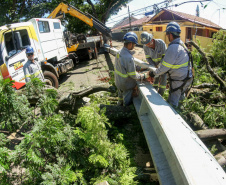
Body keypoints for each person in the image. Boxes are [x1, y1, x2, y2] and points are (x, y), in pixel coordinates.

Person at [149, 22, 193, 107]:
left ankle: (175, 115)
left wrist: (153, 73)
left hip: (179, 80)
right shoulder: (181, 44)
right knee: (180, 97)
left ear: (170, 35)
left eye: (167, 34)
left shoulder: (173, 48)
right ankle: (183, 113)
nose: (167, 36)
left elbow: (164, 67)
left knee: (173, 104)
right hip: (187, 78)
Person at [115, 32, 149, 106]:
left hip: (118, 81)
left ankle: (118, 106)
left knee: (120, 96)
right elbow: (133, 75)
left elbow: (124, 66)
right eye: (134, 44)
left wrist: (140, 68)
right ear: (130, 44)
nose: (134, 46)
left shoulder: (119, 52)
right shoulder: (128, 57)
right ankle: (124, 112)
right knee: (126, 102)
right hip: (126, 84)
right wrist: (144, 76)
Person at [141, 32, 167, 96]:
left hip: (163, 65)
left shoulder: (161, 43)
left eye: (149, 43)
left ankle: (161, 94)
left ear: (152, 39)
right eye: (146, 44)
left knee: (163, 79)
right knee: (155, 79)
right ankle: (155, 93)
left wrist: (159, 66)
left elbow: (165, 57)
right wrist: (153, 66)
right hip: (154, 66)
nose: (148, 45)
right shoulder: (145, 47)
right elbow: (148, 58)